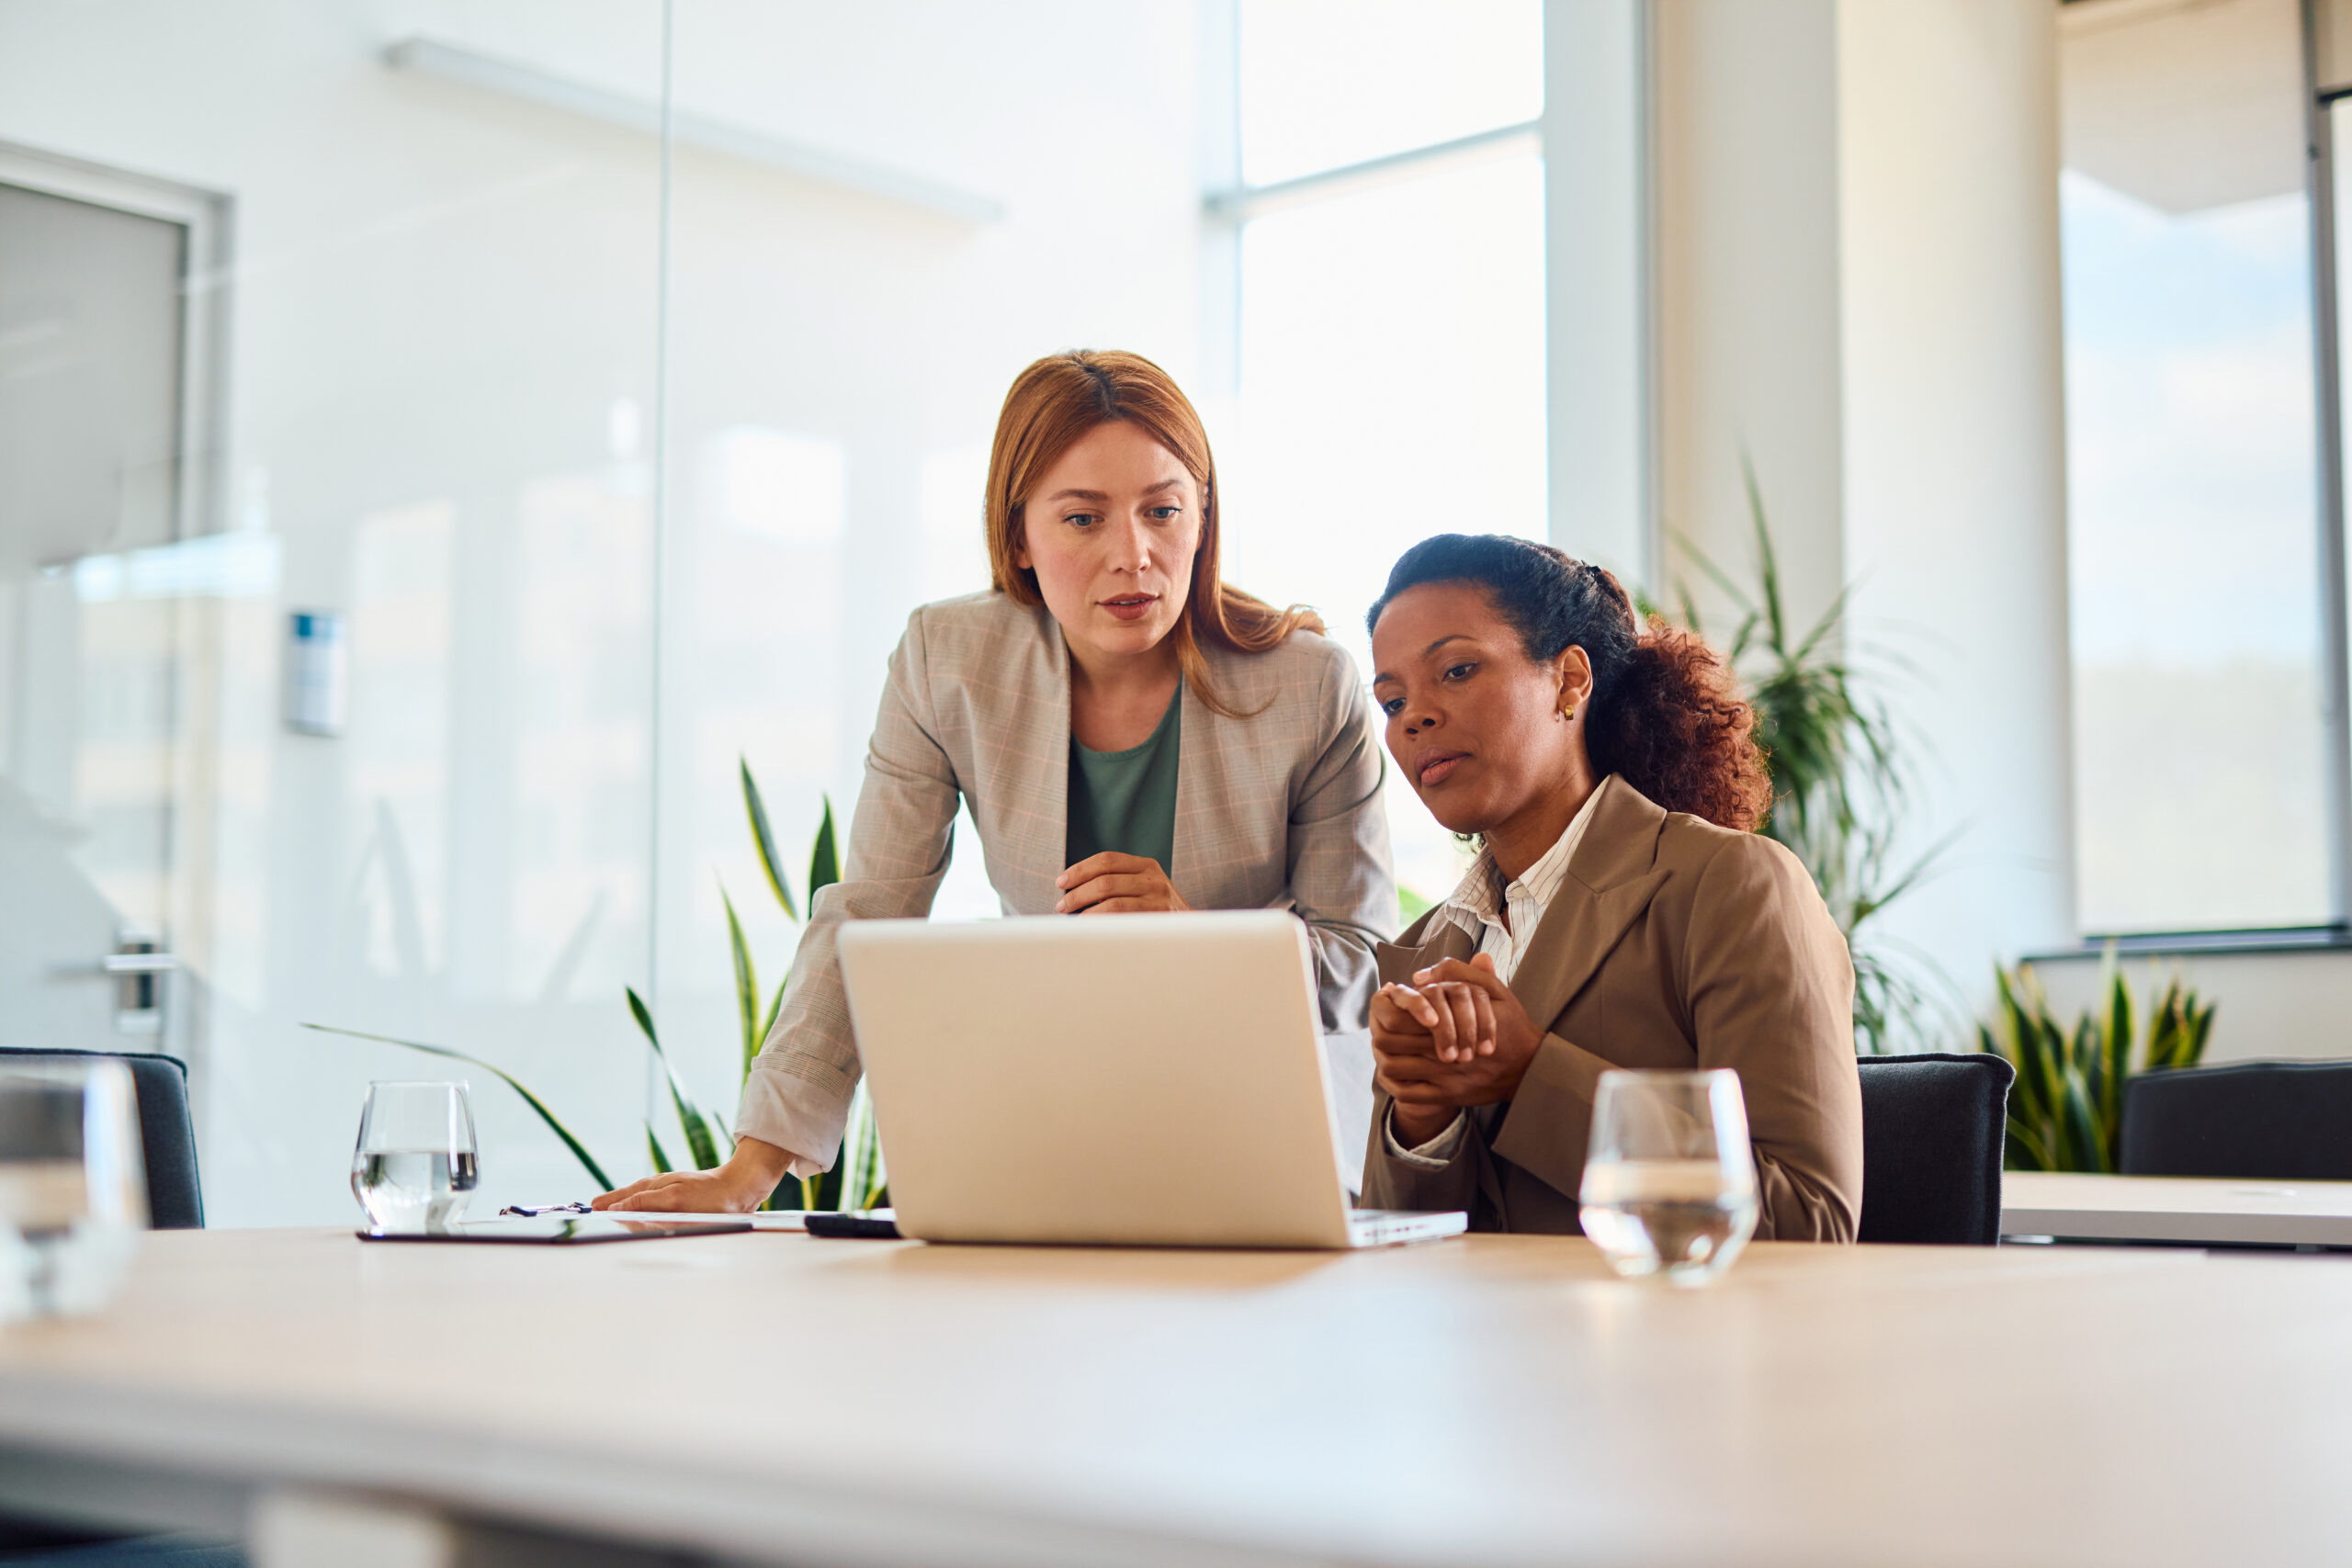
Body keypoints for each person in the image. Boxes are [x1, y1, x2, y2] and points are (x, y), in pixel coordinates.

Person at [597, 350, 1395, 1213]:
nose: (1135, 555)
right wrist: (744, 1174)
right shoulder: (948, 663)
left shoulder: (1309, 686)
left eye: (1164, 509)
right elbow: (866, 910)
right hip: (1053, 1131)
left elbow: (1362, 962)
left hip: (1267, 1138)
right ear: (1018, 534)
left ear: (1202, 516)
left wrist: (1198, 938)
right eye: (1084, 518)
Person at [1357, 533, 1860, 1239]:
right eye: (1391, 700)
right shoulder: (1420, 951)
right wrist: (1422, 1119)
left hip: (1667, 1347)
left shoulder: (1733, 887)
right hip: (1475, 1348)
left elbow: (1809, 1218)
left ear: (1569, 679)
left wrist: (1530, 1074)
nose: (1415, 716)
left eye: (1459, 669)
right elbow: (1397, 1256)